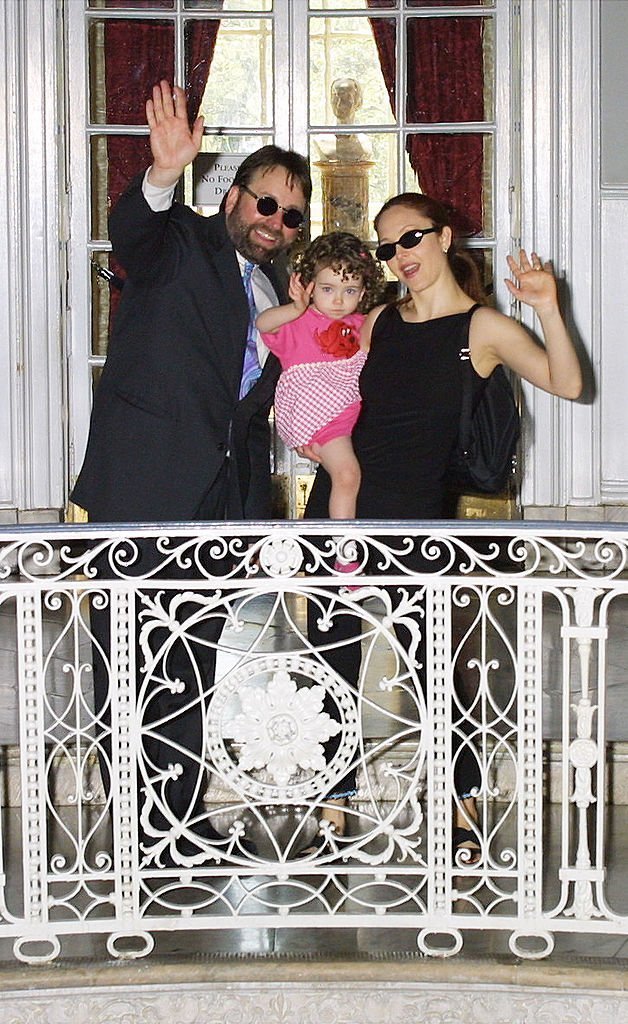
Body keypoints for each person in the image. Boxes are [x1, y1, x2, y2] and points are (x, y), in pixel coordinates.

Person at [71, 80, 311, 866]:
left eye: (291, 216)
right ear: (233, 196)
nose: (275, 223)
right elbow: (130, 230)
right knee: (130, 662)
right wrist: (163, 173)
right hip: (142, 486)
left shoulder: (276, 293)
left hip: (222, 499)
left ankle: (175, 819)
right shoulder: (178, 241)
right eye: (265, 204)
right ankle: (139, 827)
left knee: (192, 661)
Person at [303, 192, 583, 860]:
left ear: (446, 237)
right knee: (331, 660)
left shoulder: (482, 327)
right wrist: (307, 433)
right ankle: (336, 807)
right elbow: (326, 386)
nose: (401, 256)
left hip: (416, 520)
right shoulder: (376, 322)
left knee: (432, 671)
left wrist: (547, 306)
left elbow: (569, 384)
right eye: (388, 247)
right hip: (338, 509)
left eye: (412, 239)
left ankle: (460, 805)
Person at [256, 233, 384, 569]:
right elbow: (262, 324)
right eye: (328, 289)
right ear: (309, 285)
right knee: (347, 475)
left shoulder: (361, 323)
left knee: (357, 475)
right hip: (321, 410)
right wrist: (295, 308)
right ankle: (345, 557)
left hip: (351, 407)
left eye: (351, 290)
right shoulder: (298, 321)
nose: (339, 300)